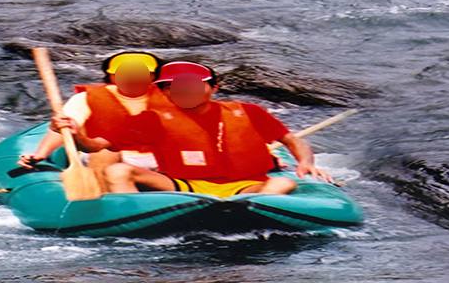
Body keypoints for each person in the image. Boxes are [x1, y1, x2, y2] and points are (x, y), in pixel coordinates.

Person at [103, 61, 333, 198]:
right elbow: (98, 145)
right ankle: (132, 213)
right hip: (184, 184)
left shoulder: (248, 112)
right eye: (170, 87)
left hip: (245, 186)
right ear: (163, 92)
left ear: (214, 88)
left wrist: (306, 162)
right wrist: (73, 131)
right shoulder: (152, 118)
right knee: (118, 171)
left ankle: (253, 209)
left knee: (284, 182)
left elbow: (292, 140)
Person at [19, 51, 170, 181]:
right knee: (106, 153)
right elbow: (63, 127)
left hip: (159, 160)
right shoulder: (85, 99)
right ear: (111, 76)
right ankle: (105, 199)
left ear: (153, 76)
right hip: (101, 155)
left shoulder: (171, 97)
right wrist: (41, 154)